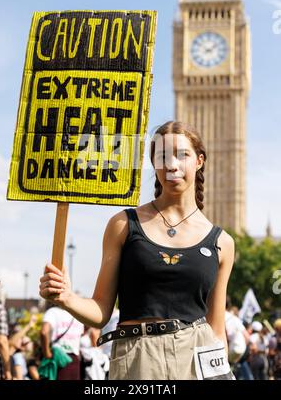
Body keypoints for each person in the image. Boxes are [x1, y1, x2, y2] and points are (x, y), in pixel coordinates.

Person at [40, 121, 235, 380]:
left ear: (199, 161)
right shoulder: (123, 224)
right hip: (137, 358)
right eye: (163, 156)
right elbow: (100, 311)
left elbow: (217, 330)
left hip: (196, 358)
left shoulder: (222, 242)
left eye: (182, 155)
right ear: (154, 163)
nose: (172, 165)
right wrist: (66, 297)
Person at [40, 302, 84, 380]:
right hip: (74, 360)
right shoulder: (77, 314)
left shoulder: (52, 312)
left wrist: (46, 353)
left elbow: (44, 332)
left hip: (58, 358)